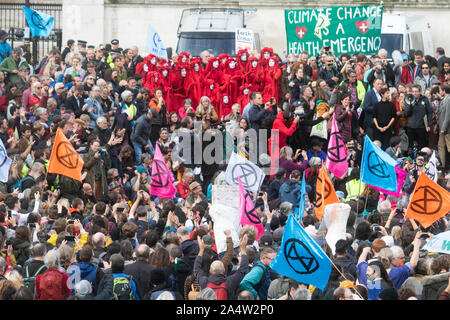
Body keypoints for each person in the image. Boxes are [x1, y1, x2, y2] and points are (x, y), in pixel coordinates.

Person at [194, 233, 248, 300]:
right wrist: (243, 249)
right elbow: (243, 269)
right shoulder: (230, 282)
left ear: (210, 271)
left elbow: (197, 269)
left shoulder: (204, 282)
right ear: (224, 270)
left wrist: (201, 250)